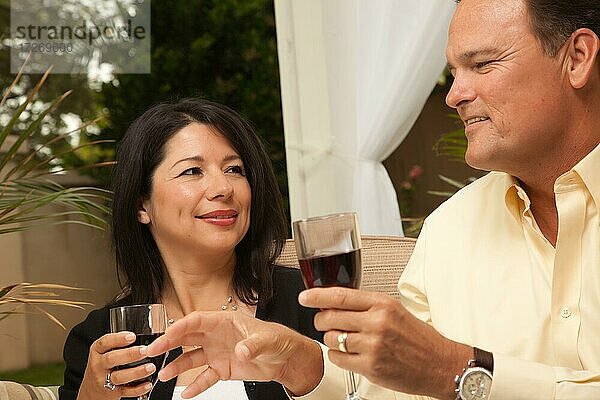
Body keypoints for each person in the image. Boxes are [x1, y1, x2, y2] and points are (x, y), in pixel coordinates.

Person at [145, 0, 600, 399]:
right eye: (454, 71)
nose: (454, 95)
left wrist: (456, 370)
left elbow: (440, 372)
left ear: (577, 58)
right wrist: (299, 363)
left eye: (482, 65)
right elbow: (397, 390)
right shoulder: (450, 229)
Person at [58, 98, 323, 400]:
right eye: (192, 171)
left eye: (234, 169)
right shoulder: (101, 339)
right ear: (141, 205)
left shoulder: (309, 301)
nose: (223, 188)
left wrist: (305, 365)